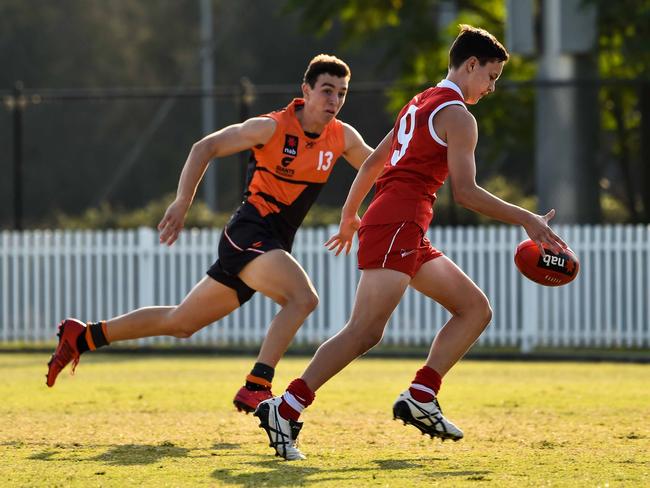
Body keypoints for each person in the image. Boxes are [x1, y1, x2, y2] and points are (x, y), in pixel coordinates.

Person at [255, 25, 567, 460]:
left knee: (474, 309)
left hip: (403, 222)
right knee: (364, 331)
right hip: (399, 220)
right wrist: (526, 219)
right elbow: (467, 192)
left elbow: (373, 164)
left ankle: (422, 394)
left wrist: (350, 216)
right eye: (491, 76)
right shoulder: (458, 115)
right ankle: (285, 408)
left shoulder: (419, 102)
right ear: (471, 64)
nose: (491, 87)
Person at [46, 54, 373, 415]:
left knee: (181, 322)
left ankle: (84, 336)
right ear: (306, 91)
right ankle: (256, 386)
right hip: (248, 232)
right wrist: (182, 201)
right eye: (327, 91)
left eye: (342, 94)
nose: (334, 101)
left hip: (269, 244)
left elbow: (378, 168)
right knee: (303, 299)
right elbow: (205, 147)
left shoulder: (341, 136)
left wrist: (414, 162)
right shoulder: (271, 127)